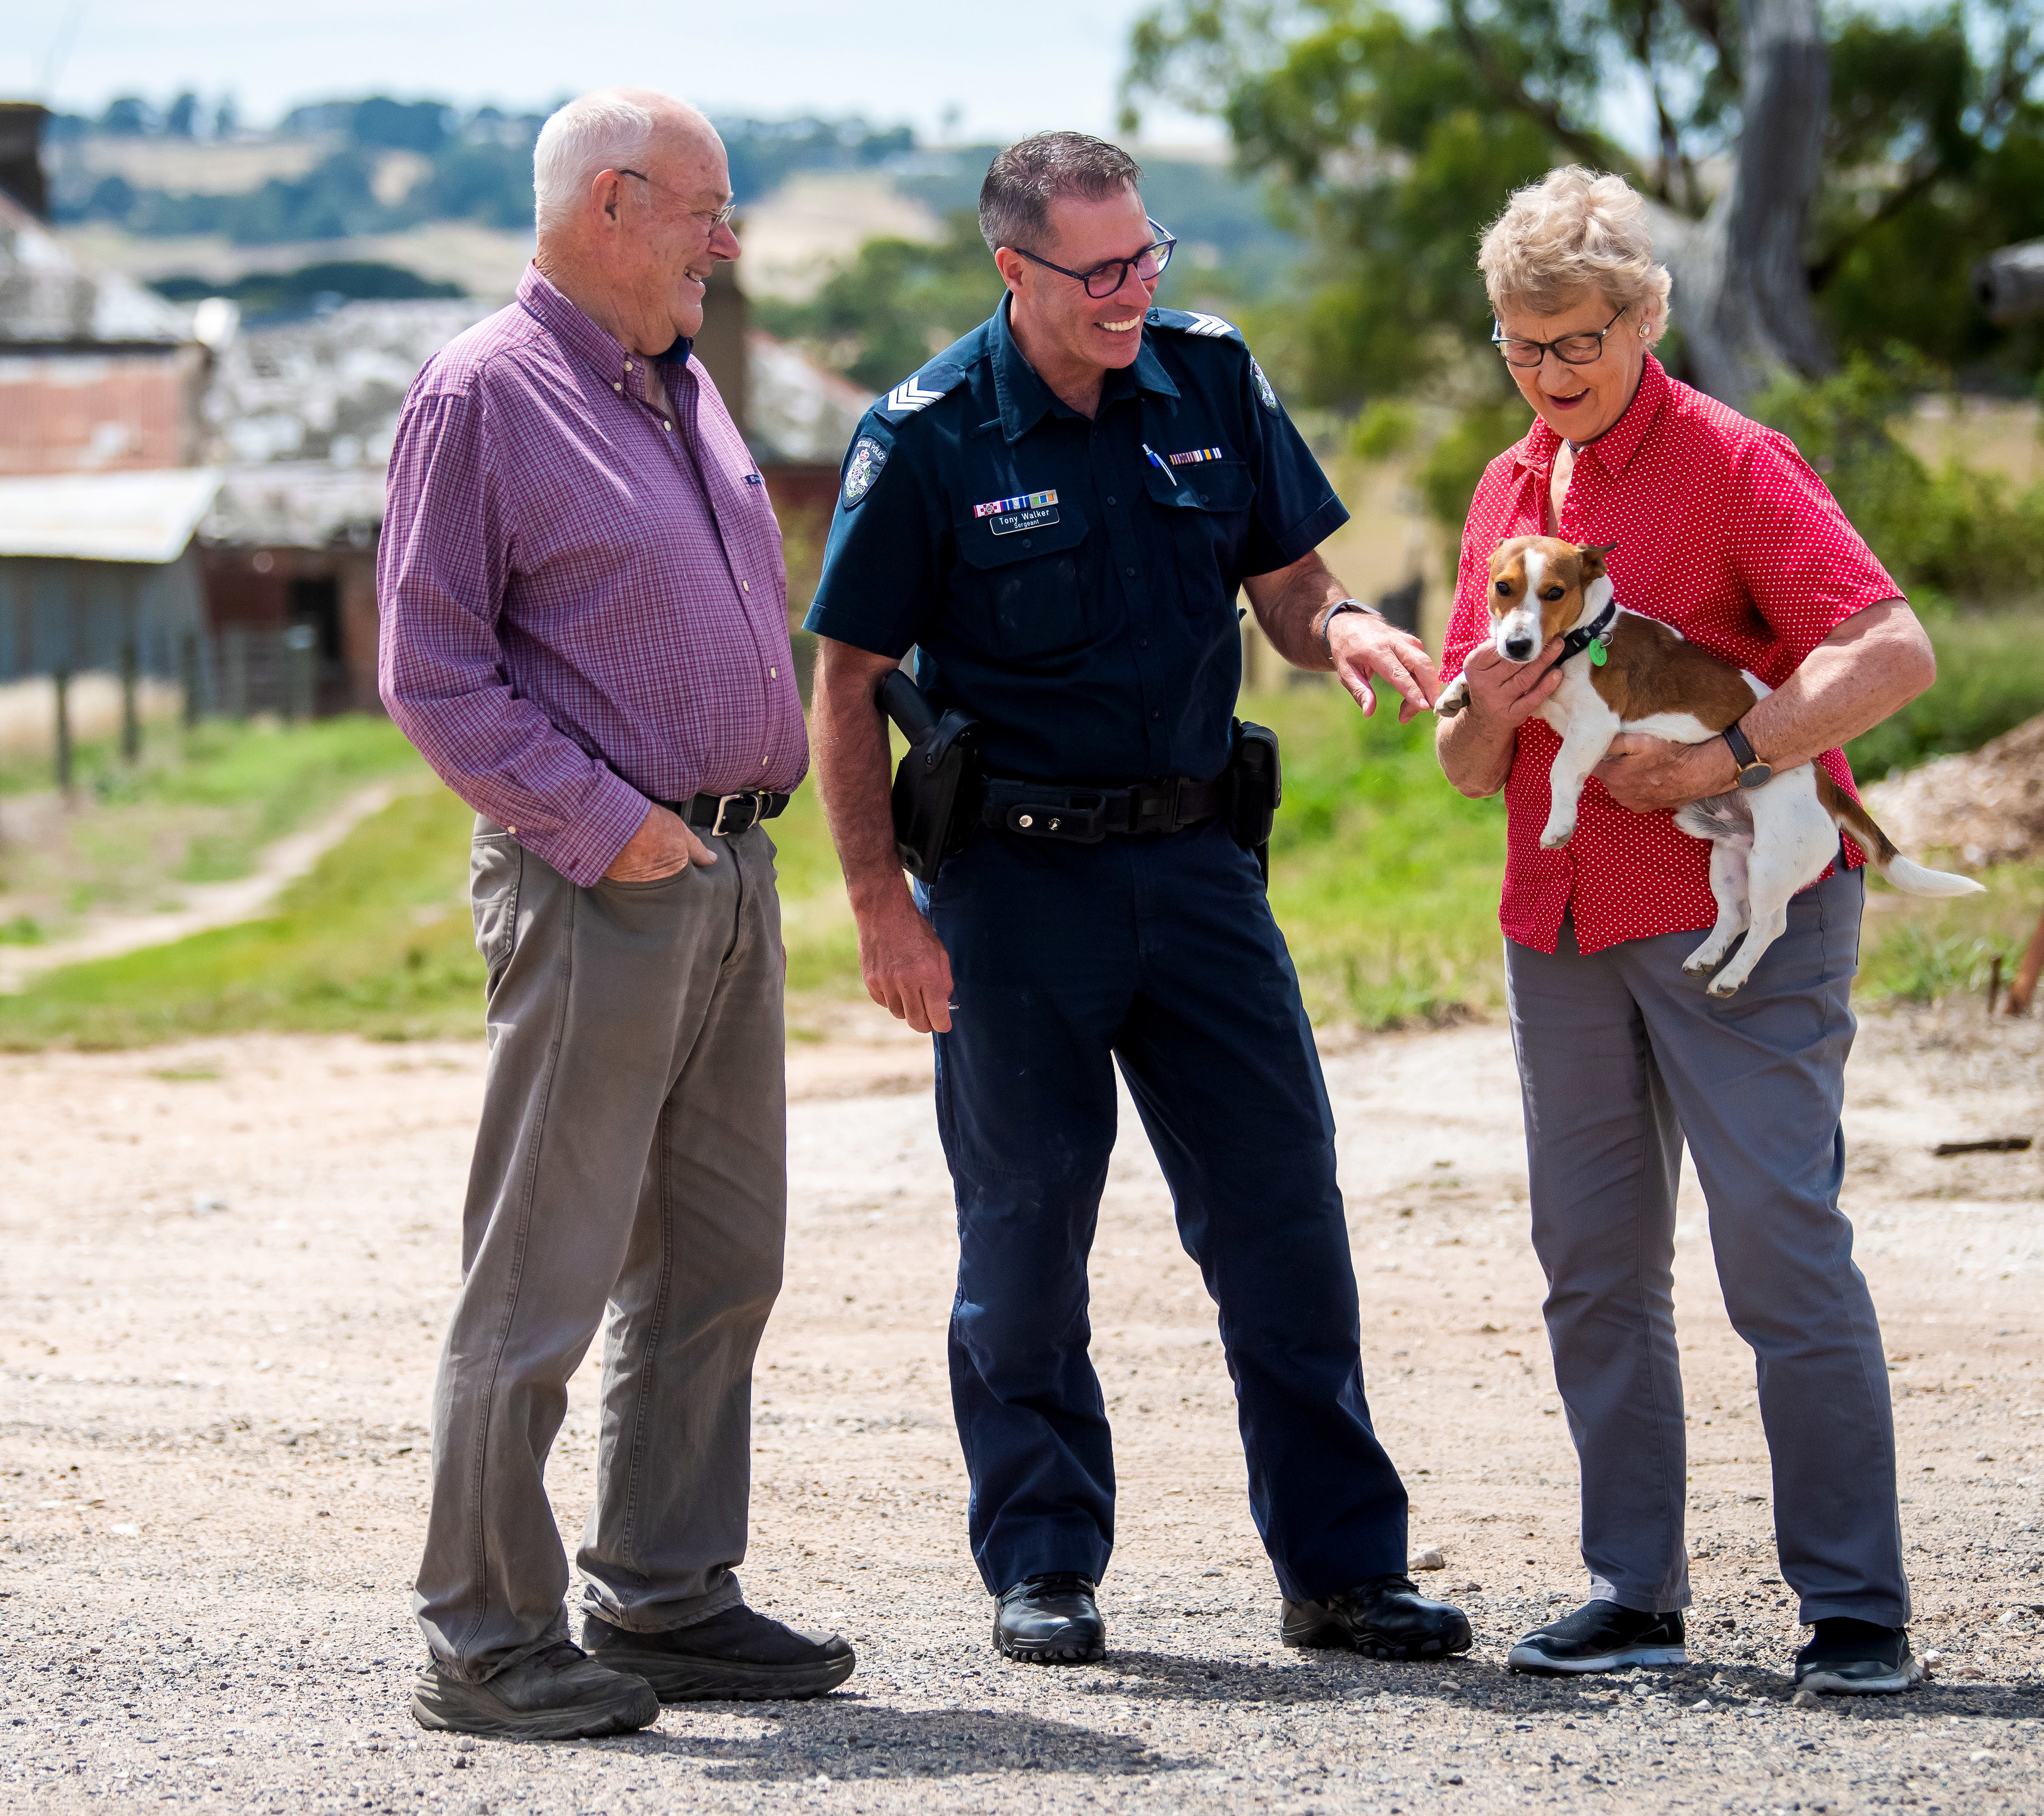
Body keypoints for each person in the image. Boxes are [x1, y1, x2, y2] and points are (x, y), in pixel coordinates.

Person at [805, 131, 1471, 1667]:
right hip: (1011, 893)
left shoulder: (1208, 375)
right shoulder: (924, 437)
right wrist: (877, 910)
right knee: (1026, 1243)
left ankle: (1343, 1571)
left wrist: (1349, 625)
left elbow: (1289, 584)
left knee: (1284, 1222)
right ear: (1013, 271)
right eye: (1099, 270)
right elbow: (844, 684)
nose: (1133, 290)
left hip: (1196, 873)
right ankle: (1043, 1563)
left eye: (1147, 255)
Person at [377, 87, 852, 1740]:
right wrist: (605, 826)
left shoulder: (681, 383)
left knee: (723, 1257)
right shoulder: (480, 396)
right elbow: (429, 672)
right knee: (543, 1276)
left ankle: (664, 1596)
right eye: (707, 209)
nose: (729, 241)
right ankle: (481, 1634)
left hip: (730, 874)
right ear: (613, 204)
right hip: (597, 885)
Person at [1435, 166, 1939, 1695]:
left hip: (1745, 907)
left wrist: (1733, 758)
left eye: (1577, 338)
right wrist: (1490, 714)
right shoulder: (1506, 495)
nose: (1549, 373)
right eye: (1522, 346)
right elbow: (1464, 758)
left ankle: (1855, 1607)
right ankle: (1631, 1592)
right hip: (1563, 917)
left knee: (1780, 1252)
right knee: (1591, 1265)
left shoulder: (1733, 461)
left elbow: (1890, 646)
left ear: (1648, 315)